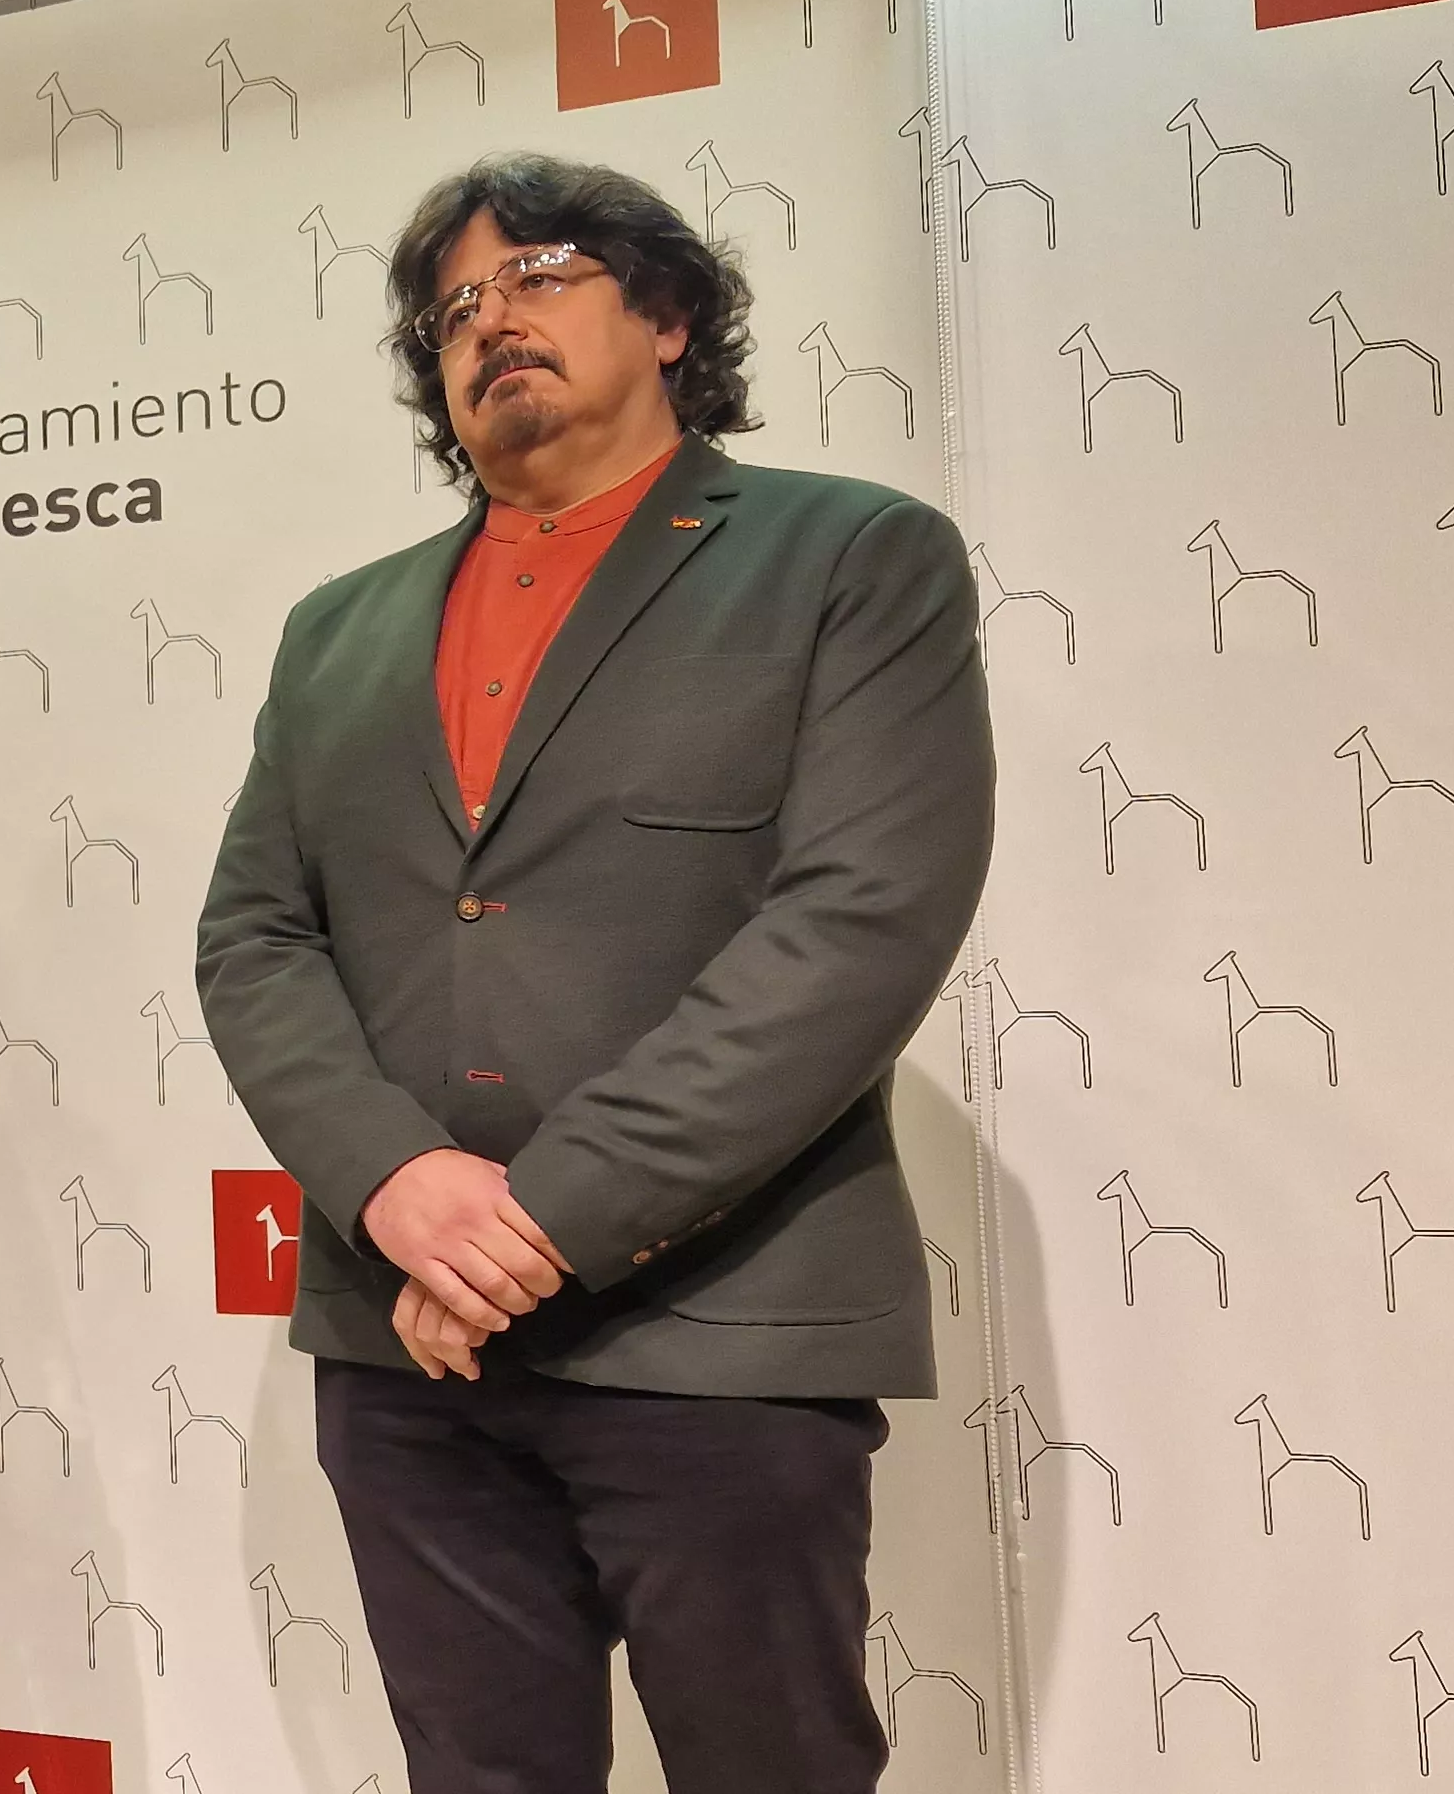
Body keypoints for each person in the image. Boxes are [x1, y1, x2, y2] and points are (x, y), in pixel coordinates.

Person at [194, 153, 993, 1793]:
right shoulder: (335, 632)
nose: (489, 323)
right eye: (452, 309)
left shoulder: (852, 558)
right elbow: (256, 937)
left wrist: (539, 1220)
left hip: (717, 1324)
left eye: (538, 274)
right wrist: (399, 1181)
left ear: (672, 313)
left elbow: (858, 925)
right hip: (407, 1345)